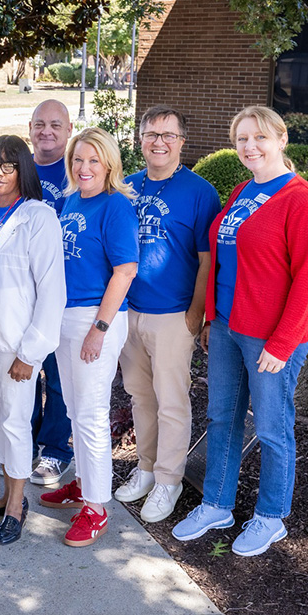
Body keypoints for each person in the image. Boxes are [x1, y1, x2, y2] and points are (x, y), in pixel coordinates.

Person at [173, 106, 308, 557]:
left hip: (272, 337)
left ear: (281, 139)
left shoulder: (301, 199)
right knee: (222, 417)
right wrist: (211, 320)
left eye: (259, 137)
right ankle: (217, 503)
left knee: (273, 426)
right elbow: (226, 262)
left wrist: (282, 344)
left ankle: (271, 516)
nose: (249, 147)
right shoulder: (243, 190)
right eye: (241, 139)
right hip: (226, 328)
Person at [114, 107, 220, 523]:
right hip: (129, 312)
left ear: (181, 142)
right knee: (140, 396)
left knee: (173, 401)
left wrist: (197, 313)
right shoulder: (126, 187)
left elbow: (208, 260)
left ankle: (169, 480)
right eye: (151, 133)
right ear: (140, 139)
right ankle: (145, 469)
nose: (158, 141)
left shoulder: (199, 191)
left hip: (174, 315)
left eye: (168, 135)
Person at [39, 127, 138, 548]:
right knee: (76, 409)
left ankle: (97, 508)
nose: (84, 167)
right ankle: (82, 483)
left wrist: (99, 328)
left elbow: (125, 270)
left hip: (96, 318)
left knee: (93, 414)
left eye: (93, 160)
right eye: (78, 159)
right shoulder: (70, 201)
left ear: (109, 164)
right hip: (64, 315)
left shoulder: (116, 206)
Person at [0, 135, 64, 545]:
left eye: (6, 165)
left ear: (22, 169)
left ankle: (19, 504)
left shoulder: (38, 216)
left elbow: (52, 291)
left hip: (18, 335)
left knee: (16, 418)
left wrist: (31, 351)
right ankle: (5, 494)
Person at [26, 99, 76, 487]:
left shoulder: (78, 167)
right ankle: (24, 445)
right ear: (30, 128)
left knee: (58, 378)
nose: (47, 131)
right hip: (24, 292)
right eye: (40, 123)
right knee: (24, 374)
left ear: (69, 128)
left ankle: (56, 451)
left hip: (67, 292)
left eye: (55, 124)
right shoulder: (21, 168)